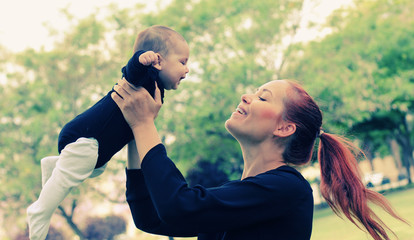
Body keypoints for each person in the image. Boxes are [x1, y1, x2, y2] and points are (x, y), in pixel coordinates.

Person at [112, 78, 406, 240]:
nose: (245, 96)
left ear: (284, 128)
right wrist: (134, 129)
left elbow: (180, 208)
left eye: (262, 97)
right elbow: (150, 217)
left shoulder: (287, 190)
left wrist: (143, 125)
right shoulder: (241, 195)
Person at [26, 25, 190, 240]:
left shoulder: (155, 89)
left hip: (95, 147)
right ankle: (38, 212)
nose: (187, 70)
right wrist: (142, 58)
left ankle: (54, 165)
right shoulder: (142, 79)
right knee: (77, 170)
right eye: (183, 62)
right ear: (158, 60)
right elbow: (131, 70)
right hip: (85, 137)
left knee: (95, 169)